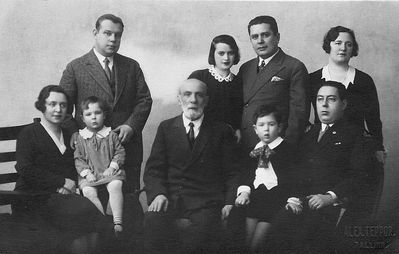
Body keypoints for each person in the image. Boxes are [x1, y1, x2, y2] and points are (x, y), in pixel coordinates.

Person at [269, 81, 370, 254]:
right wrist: (293, 198)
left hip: (331, 207)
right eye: (319, 99)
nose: (323, 104)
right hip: (301, 202)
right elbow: (297, 171)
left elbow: (359, 175)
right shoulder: (309, 133)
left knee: (304, 239)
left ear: (343, 104)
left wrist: (330, 197)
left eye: (331, 99)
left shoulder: (354, 134)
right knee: (275, 230)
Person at [143, 79, 240, 254]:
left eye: (199, 95)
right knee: (152, 222)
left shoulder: (221, 131)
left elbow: (232, 172)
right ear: (179, 99)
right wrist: (158, 194)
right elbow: (153, 170)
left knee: (203, 235)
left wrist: (229, 202)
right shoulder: (166, 127)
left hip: (206, 201)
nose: (193, 100)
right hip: (170, 198)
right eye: (187, 94)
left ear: (206, 100)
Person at [59, 14, 152, 192]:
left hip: (126, 147)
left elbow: (144, 100)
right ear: (95, 32)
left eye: (118, 35)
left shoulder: (131, 66)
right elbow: (62, 106)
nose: (113, 39)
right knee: (94, 204)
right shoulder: (75, 67)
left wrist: (131, 126)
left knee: (128, 200)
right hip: (90, 149)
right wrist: (73, 133)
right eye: (107, 33)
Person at [14, 85, 106, 253]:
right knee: (82, 212)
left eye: (63, 105)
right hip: (33, 198)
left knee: (91, 220)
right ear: (42, 106)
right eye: (52, 104)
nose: (58, 109)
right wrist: (61, 183)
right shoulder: (28, 133)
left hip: (63, 198)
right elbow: (25, 168)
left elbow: (76, 165)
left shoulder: (70, 133)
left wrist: (77, 183)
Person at [309, 26, 385, 217]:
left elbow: (373, 119)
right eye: (338, 43)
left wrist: (378, 147)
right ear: (329, 45)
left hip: (354, 149)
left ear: (353, 49)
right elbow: (304, 116)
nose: (343, 48)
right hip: (324, 147)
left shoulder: (364, 81)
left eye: (348, 44)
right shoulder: (312, 79)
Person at [238, 15, 309, 153]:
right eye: (255, 37)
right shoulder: (245, 68)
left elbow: (299, 114)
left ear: (277, 37)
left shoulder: (293, 66)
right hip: (245, 144)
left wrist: (285, 148)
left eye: (265, 35)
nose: (260, 41)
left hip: (275, 147)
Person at [235, 105, 295, 253]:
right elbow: (247, 175)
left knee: (257, 245)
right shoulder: (255, 150)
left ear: (280, 127)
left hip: (275, 200)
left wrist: (292, 199)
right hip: (255, 199)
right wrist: (244, 192)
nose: (266, 129)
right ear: (255, 129)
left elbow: (293, 179)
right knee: (246, 242)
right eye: (261, 125)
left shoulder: (287, 150)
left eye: (271, 124)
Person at [73, 96, 126, 236]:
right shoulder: (81, 137)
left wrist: (112, 167)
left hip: (109, 173)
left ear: (104, 115)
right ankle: (102, 221)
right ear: (82, 118)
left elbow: (120, 152)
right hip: (91, 175)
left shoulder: (111, 135)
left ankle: (117, 222)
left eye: (97, 113)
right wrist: (87, 173)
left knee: (115, 185)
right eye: (89, 114)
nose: (94, 117)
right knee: (88, 191)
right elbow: (78, 159)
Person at [188, 34, 243, 142]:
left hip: (228, 138)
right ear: (213, 54)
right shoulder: (199, 76)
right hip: (201, 136)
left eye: (230, 53)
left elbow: (238, 112)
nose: (226, 58)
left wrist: (237, 129)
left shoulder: (238, 82)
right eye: (221, 53)